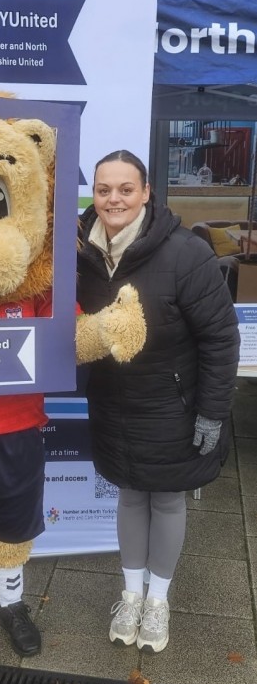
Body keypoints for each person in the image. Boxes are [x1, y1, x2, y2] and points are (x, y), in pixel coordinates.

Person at [77, 149, 240, 654]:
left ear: (146, 193)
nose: (114, 199)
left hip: (173, 405)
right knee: (129, 494)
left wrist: (213, 411)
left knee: (167, 499)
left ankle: (158, 601)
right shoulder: (79, 251)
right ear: (94, 195)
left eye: (126, 189)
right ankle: (131, 595)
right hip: (112, 402)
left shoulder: (185, 253)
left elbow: (220, 337)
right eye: (104, 189)